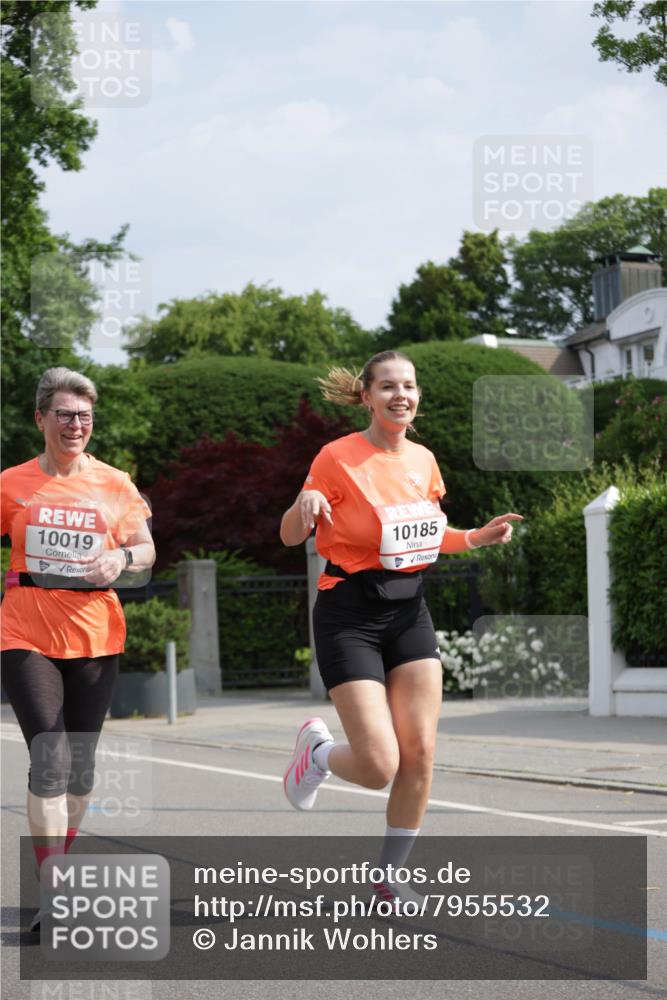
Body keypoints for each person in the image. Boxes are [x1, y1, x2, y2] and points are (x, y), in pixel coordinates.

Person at [280, 350, 522, 905]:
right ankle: (316, 755)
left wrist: (476, 537)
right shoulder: (337, 457)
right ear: (366, 396)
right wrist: (305, 502)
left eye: (409, 386)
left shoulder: (424, 461)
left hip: (409, 610)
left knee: (421, 752)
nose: (400, 395)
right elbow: (292, 536)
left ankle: (388, 878)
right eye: (388, 386)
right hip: (348, 613)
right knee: (377, 765)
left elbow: (428, 534)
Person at [0, 367, 155, 931]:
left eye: (85, 416)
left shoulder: (115, 483)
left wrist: (123, 559)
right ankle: (54, 891)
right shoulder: (11, 483)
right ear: (40, 418)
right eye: (64, 414)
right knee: (51, 759)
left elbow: (147, 548)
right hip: (25, 629)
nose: (75, 424)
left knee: (81, 770)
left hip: (95, 630)